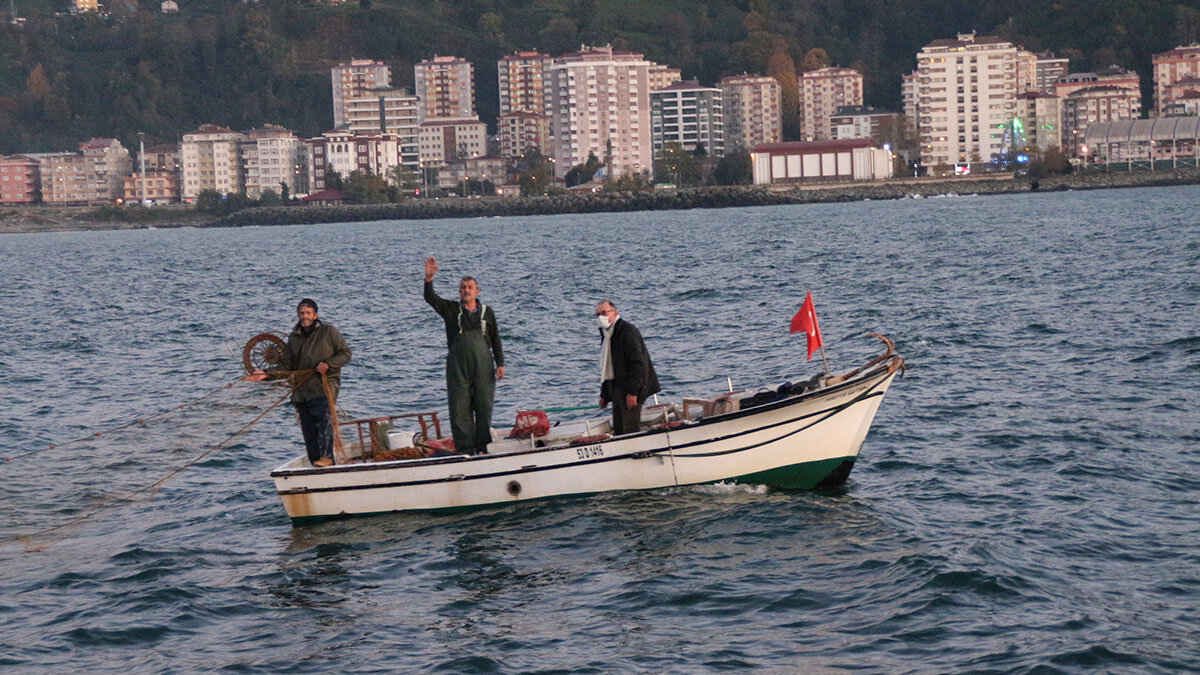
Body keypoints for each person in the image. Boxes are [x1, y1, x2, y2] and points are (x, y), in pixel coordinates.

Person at [246, 298, 351, 467]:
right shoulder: (294, 338)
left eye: (308, 313)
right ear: (298, 315)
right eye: (301, 313)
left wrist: (328, 364)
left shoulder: (328, 331)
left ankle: (327, 459)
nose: (304, 316)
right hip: (301, 391)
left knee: (324, 421)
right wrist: (265, 374)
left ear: (315, 315)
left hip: (324, 386)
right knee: (308, 430)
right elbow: (287, 366)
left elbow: (346, 354)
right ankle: (315, 463)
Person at [423, 258, 505, 455]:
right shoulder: (451, 310)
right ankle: (465, 449)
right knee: (460, 407)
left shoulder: (487, 312)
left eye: (470, 287)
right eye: (463, 288)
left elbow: (495, 339)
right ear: (459, 291)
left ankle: (483, 447)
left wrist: (500, 364)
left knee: (484, 405)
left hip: (484, 365)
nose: (466, 290)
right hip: (458, 367)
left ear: (477, 291)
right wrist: (428, 278)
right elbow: (430, 298)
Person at [595, 301, 660, 435]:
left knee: (630, 429)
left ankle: (636, 452)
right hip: (616, 388)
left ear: (615, 312)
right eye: (598, 314)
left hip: (632, 387)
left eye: (604, 313)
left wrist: (633, 393)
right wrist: (604, 395)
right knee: (619, 429)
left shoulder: (627, 331)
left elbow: (639, 364)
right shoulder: (607, 335)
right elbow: (608, 367)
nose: (601, 317)